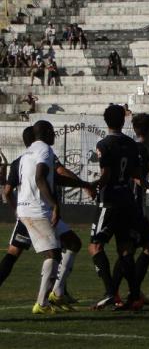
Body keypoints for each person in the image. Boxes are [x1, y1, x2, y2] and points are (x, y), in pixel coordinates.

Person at [0, 126, 91, 312]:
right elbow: (54, 174)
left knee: (72, 243)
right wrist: (56, 203)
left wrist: (16, 209)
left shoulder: (21, 159)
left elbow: (8, 191)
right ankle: (43, 302)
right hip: (37, 212)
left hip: (29, 212)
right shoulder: (44, 151)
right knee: (53, 253)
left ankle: (57, 293)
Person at [89, 105, 149, 311]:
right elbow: (136, 175)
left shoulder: (104, 144)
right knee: (126, 249)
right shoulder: (130, 144)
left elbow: (107, 174)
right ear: (123, 121)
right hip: (127, 201)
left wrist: (93, 185)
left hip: (109, 201)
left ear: (106, 121)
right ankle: (134, 295)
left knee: (94, 246)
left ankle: (111, 292)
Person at [111, 114, 149, 306]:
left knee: (144, 247)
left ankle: (130, 291)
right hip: (134, 206)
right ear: (148, 130)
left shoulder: (136, 148)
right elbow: (136, 177)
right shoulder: (141, 149)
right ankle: (116, 292)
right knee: (132, 250)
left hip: (134, 205)